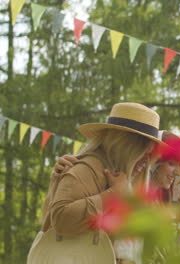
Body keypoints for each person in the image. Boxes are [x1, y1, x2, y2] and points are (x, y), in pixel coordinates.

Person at [27, 102, 165, 264]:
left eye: (150, 153)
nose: (147, 159)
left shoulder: (122, 178)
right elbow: (61, 220)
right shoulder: (88, 168)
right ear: (128, 145)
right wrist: (112, 194)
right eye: (144, 149)